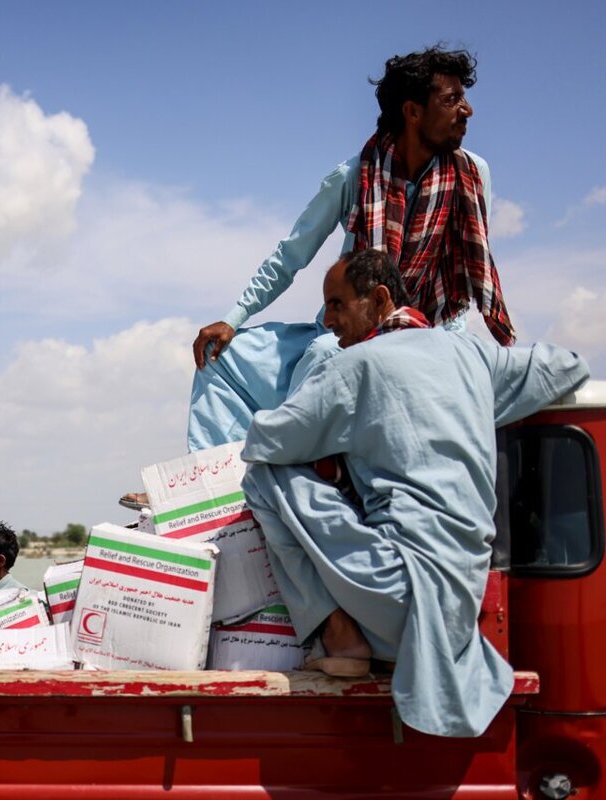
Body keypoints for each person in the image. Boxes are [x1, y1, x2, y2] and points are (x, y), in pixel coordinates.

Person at [123, 46, 513, 511]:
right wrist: (234, 317)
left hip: (421, 335)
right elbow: (291, 255)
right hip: (341, 329)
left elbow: (468, 272)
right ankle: (207, 493)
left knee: (324, 359)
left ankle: (292, 487)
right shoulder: (354, 177)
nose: (467, 110)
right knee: (222, 358)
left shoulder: (472, 175)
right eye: (452, 99)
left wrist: (442, 354)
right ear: (413, 112)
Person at [238, 252, 588, 737]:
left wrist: (334, 454)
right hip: (462, 609)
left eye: (338, 304)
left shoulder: (354, 366)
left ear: (379, 300)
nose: (329, 320)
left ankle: (339, 635)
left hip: (396, 599)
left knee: (263, 477)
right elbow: (567, 364)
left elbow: (267, 441)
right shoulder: (470, 355)